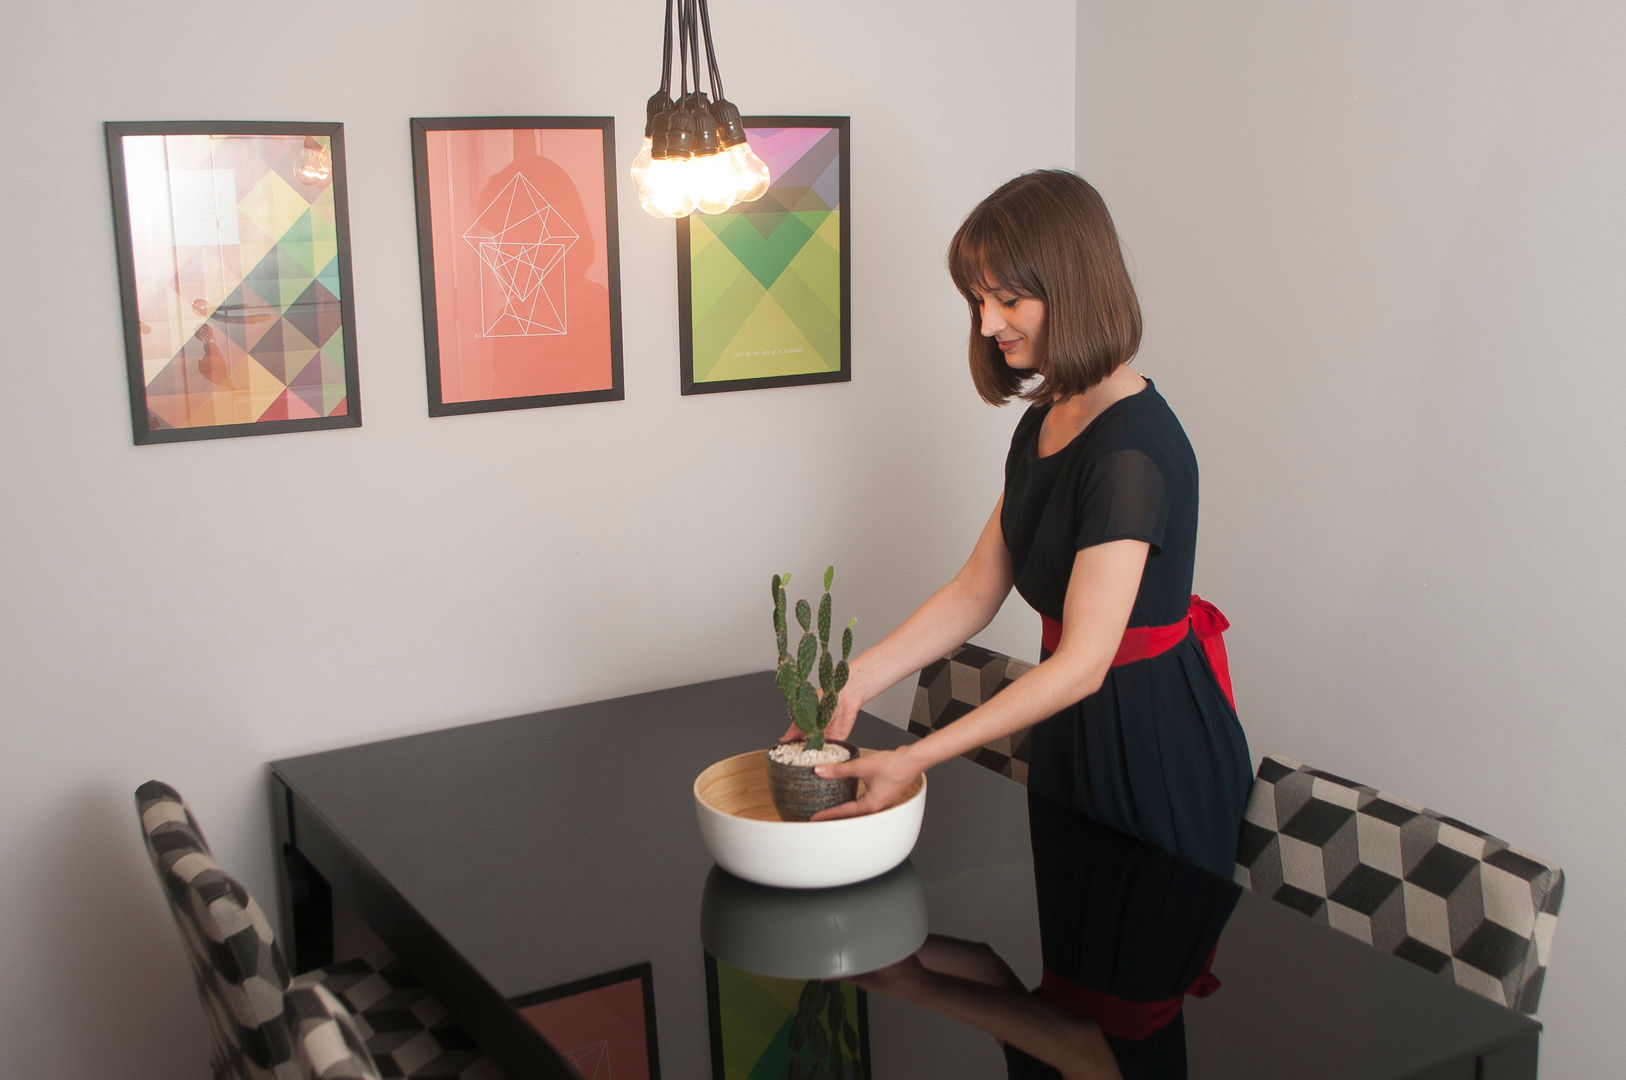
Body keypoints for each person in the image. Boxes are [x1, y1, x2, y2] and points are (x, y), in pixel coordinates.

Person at [809, 169, 1251, 878]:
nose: (987, 324)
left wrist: (914, 757)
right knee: (1066, 975)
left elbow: (1082, 663)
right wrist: (853, 681)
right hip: (1075, 729)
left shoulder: (1130, 454)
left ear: (1074, 288)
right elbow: (976, 590)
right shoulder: (1049, 419)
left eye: (1008, 299)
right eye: (978, 301)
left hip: (1149, 747)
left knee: (1123, 971)